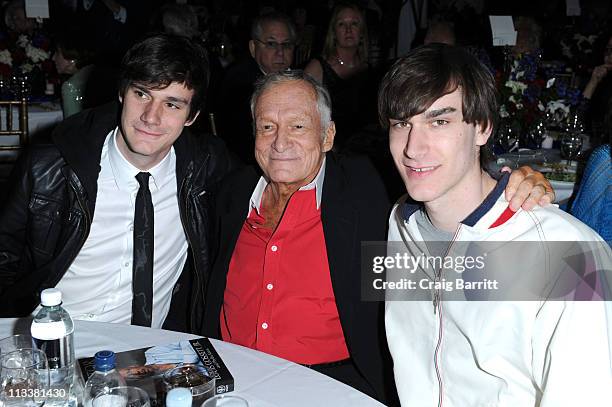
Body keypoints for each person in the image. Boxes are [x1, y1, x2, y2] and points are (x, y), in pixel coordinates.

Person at [203, 70, 555, 403]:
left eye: (298, 126)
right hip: (229, 376)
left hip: (329, 386)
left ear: (327, 136)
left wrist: (517, 179)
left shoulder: (368, 188)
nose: (281, 141)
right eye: (267, 127)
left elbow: (442, 176)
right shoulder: (232, 194)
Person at [380, 44, 612, 406]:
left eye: (439, 122)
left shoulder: (571, 253)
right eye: (402, 123)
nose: (413, 147)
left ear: (483, 128)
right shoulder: (401, 224)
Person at [0, 33, 232, 333]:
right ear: (122, 92)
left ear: (192, 116)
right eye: (142, 94)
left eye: (172, 105)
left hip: (147, 355)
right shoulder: (51, 167)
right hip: (51, 342)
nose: (151, 117)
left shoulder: (206, 171)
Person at [215, 11, 296, 164]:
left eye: (286, 45)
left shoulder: (298, 79)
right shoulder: (239, 83)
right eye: (271, 44)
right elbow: (241, 143)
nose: (280, 52)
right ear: (253, 47)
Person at [304, 3, 377, 149]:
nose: (348, 30)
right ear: (334, 33)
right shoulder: (318, 67)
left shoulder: (370, 69)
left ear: (362, 32)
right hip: (331, 148)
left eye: (354, 24)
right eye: (342, 24)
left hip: (365, 147)